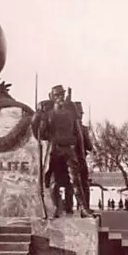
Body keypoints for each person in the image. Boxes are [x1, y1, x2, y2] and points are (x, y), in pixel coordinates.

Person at [40, 86, 94, 219]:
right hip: (55, 149)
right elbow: (42, 134)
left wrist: (81, 154)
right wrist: (41, 120)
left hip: (69, 149)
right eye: (57, 95)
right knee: (54, 182)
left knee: (75, 180)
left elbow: (78, 134)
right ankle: (54, 209)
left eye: (62, 95)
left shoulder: (71, 114)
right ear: (52, 97)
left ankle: (82, 208)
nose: (60, 97)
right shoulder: (48, 114)